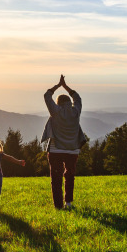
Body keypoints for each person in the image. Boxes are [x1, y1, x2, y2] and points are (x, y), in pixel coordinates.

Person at [42, 75, 86, 210]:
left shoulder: (55, 111)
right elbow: (78, 97)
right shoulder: (76, 111)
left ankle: (58, 206)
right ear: (69, 102)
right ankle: (68, 203)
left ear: (58, 103)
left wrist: (58, 85)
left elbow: (46, 95)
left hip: (56, 150)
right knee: (70, 176)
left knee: (56, 179)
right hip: (73, 150)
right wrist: (65, 86)